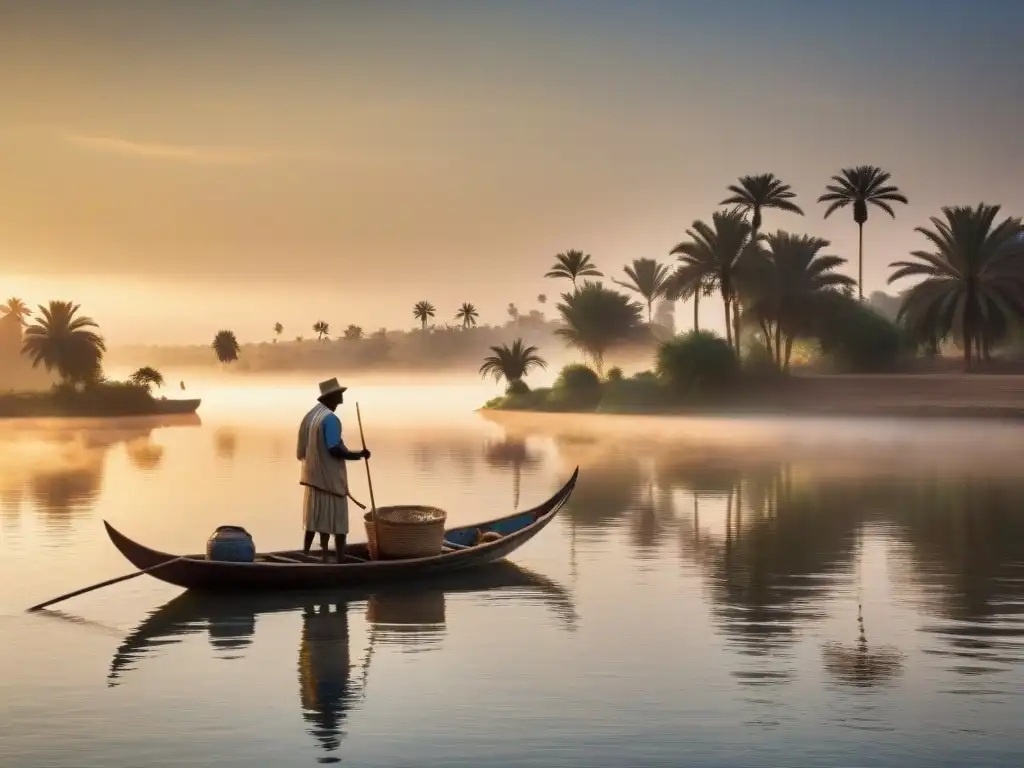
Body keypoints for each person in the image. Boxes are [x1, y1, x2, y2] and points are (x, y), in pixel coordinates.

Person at [296, 377, 370, 562]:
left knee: (315, 520)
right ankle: (339, 560)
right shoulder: (330, 419)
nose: (341, 399)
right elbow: (334, 448)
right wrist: (358, 455)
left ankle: (307, 556)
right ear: (330, 397)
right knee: (338, 524)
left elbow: (301, 451)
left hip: (313, 477)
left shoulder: (311, 416)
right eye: (339, 395)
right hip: (330, 480)